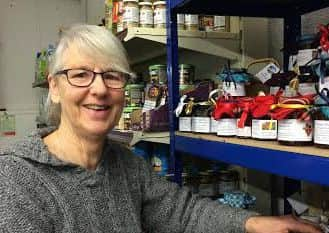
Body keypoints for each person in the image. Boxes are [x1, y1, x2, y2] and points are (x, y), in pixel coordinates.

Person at [0, 24, 322, 233]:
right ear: (54, 87)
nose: (98, 89)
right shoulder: (17, 178)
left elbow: (182, 213)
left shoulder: (126, 165)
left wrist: (253, 222)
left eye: (112, 75)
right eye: (81, 74)